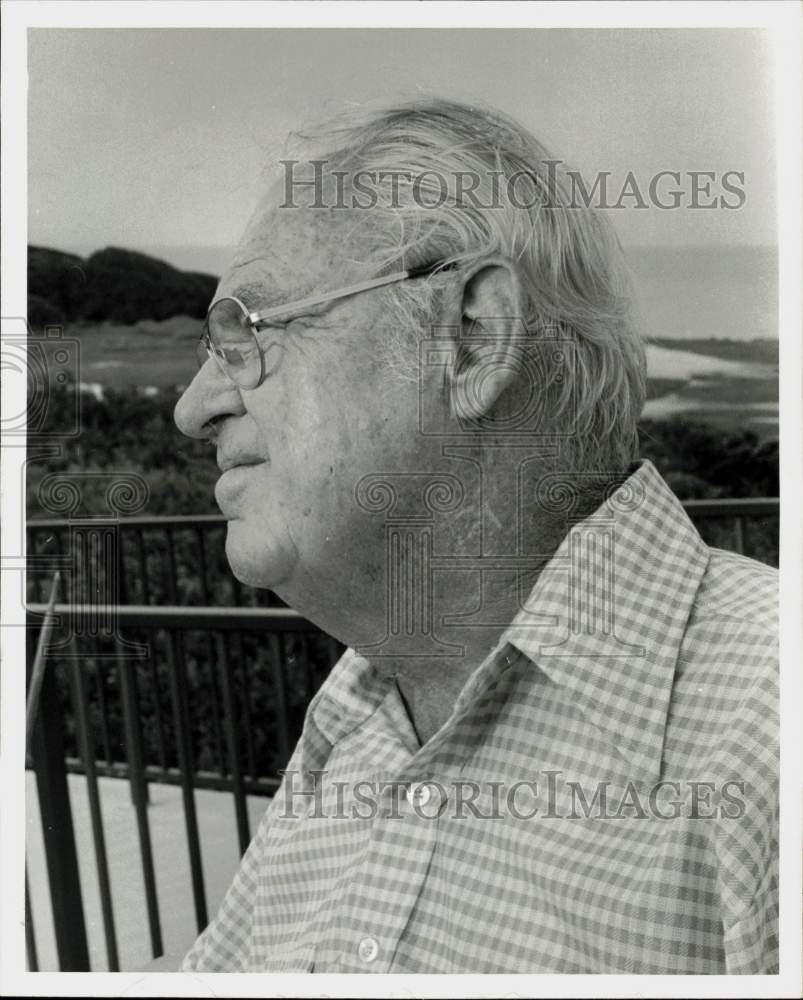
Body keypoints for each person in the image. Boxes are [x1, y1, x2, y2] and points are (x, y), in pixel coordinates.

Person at [172, 99, 778, 974]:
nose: (194, 409)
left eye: (246, 334)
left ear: (471, 337)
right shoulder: (358, 714)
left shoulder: (765, 723)